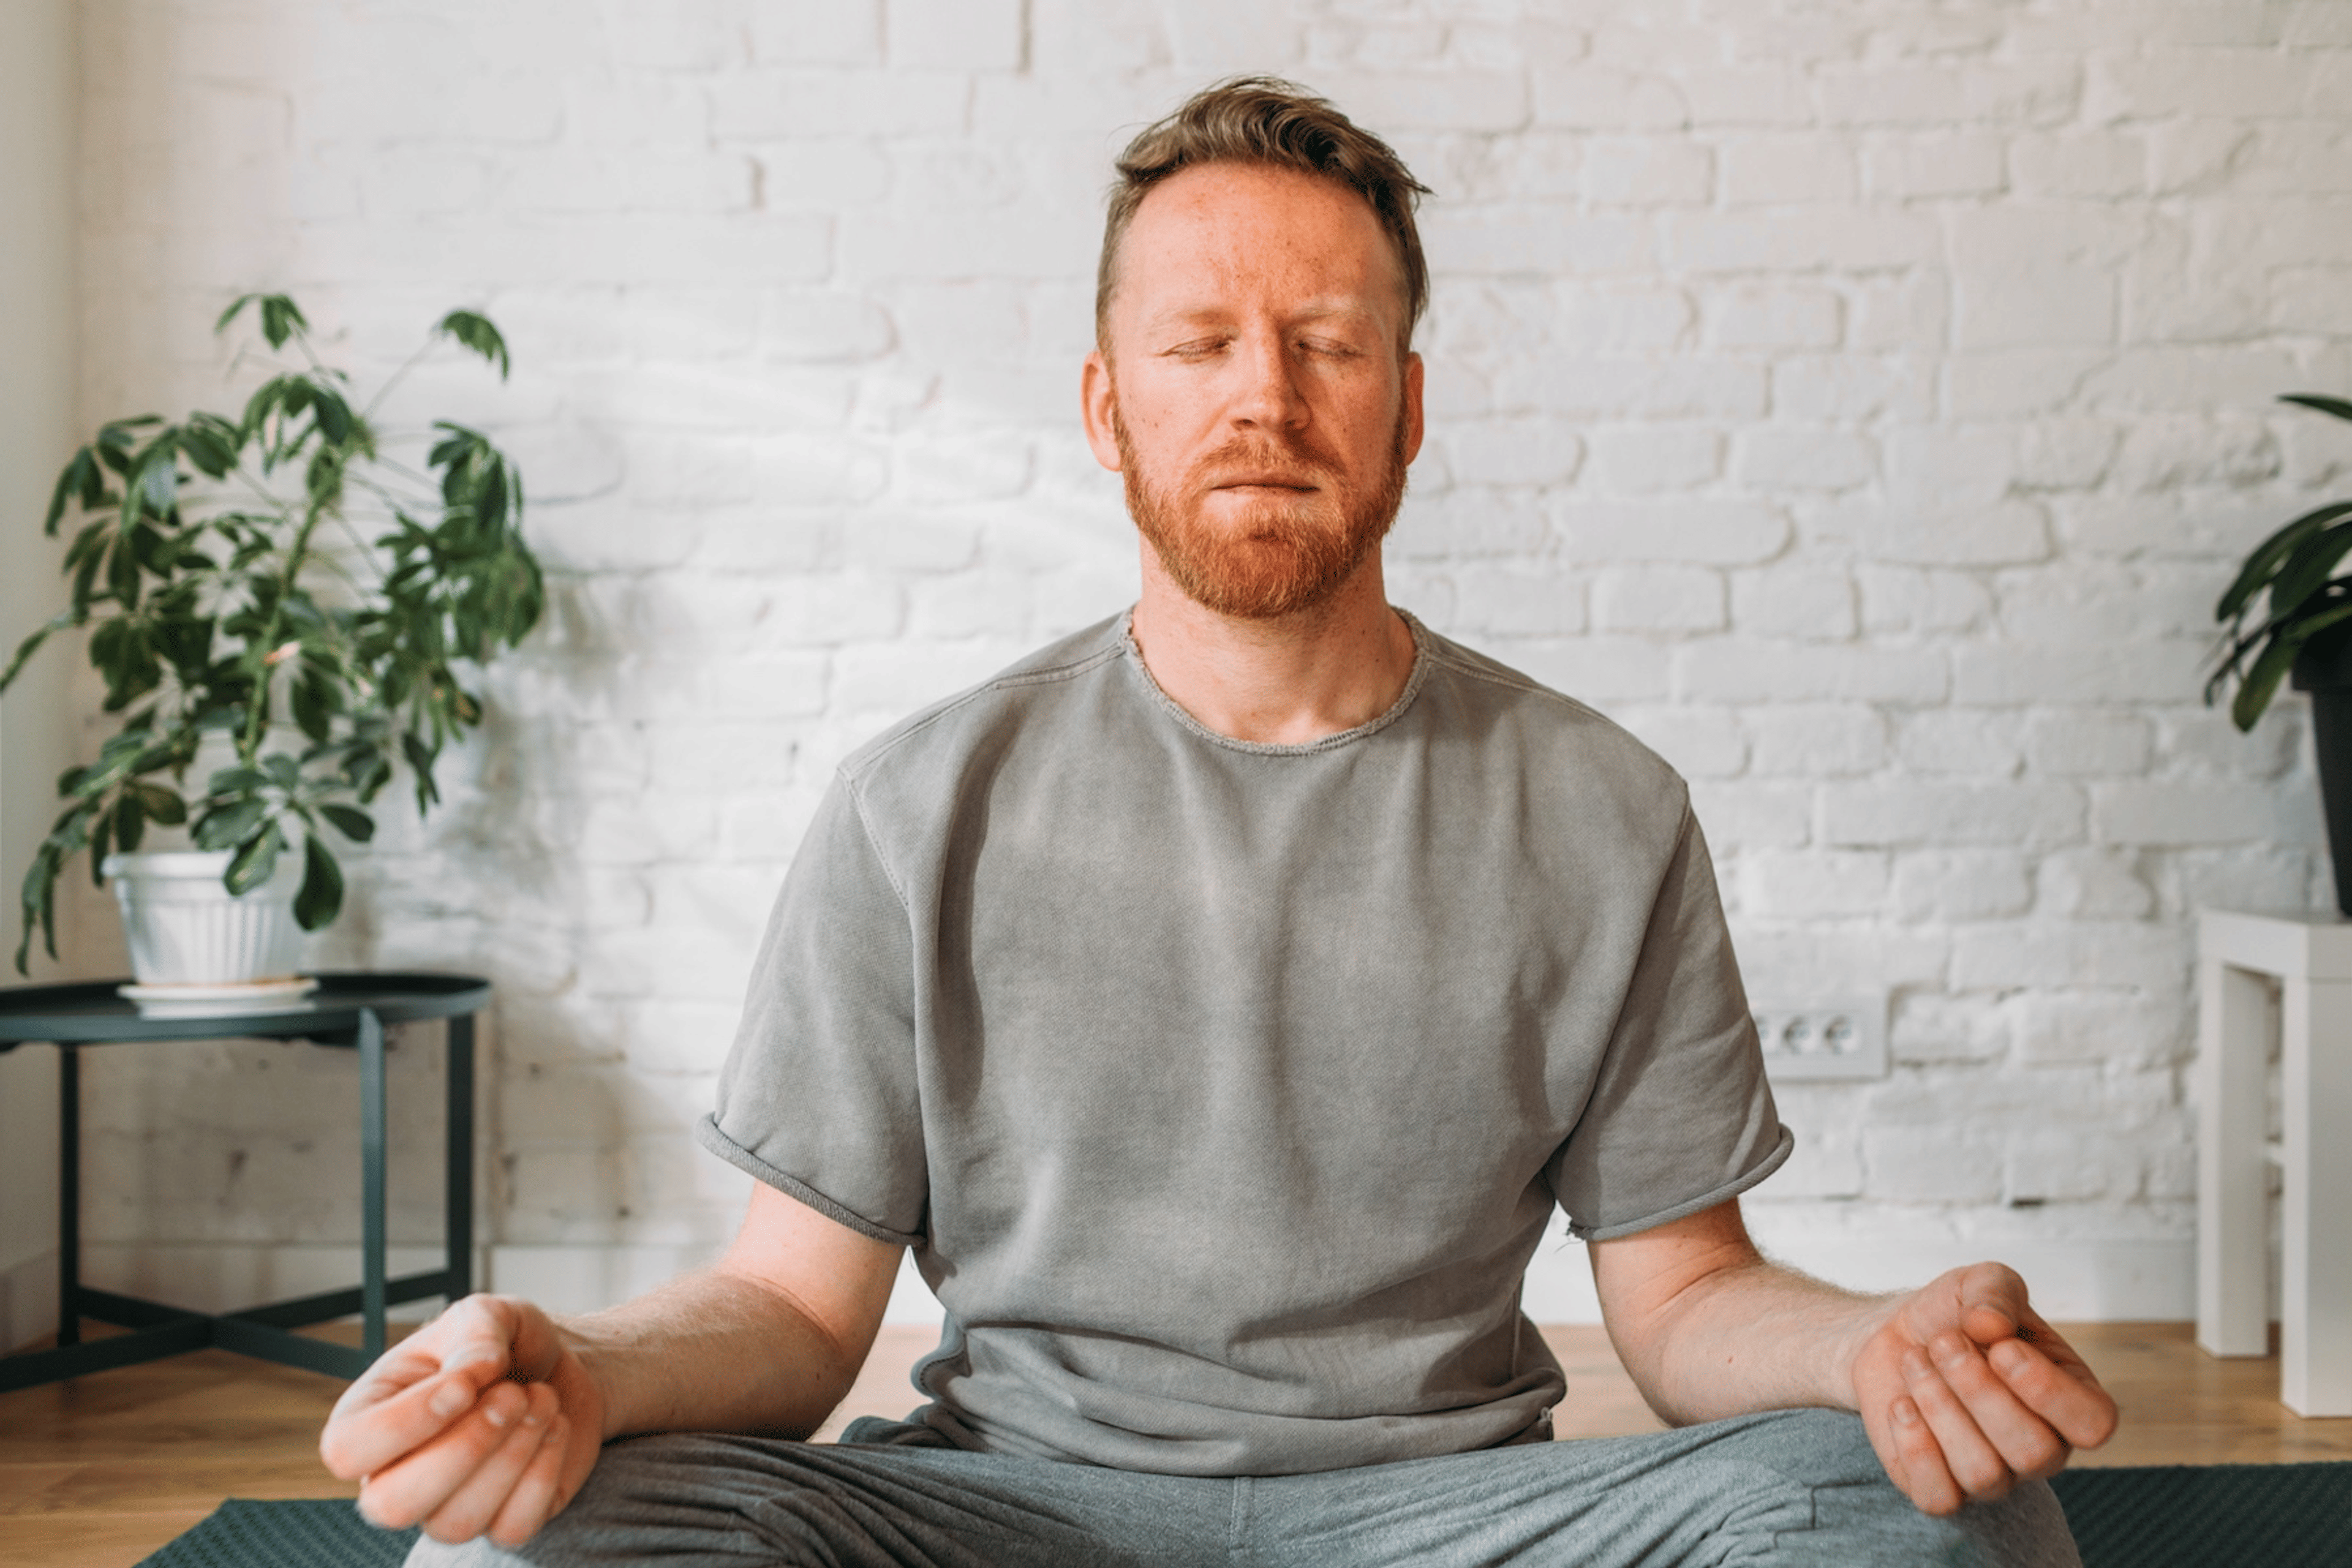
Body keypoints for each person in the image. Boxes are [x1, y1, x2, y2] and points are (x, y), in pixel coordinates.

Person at [323, 78, 2117, 1567]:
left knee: (1949, 1515)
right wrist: (579, 1368)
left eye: (1327, 345)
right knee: (519, 1539)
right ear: (1112, 409)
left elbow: (1683, 1297)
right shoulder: (917, 804)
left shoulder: (1603, 806)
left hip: (1455, 1518)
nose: (1264, 396)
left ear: (1406, 410)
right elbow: (795, 1320)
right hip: (1015, 1517)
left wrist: (1873, 1348)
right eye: (1201, 344)